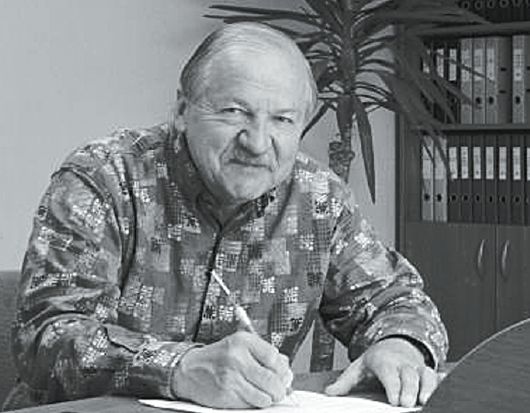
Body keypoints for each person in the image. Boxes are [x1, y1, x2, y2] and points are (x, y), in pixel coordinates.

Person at [7, 22, 448, 410]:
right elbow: (46, 337)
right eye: (235, 111)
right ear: (183, 110)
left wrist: (399, 345)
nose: (256, 142)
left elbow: (395, 301)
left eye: (282, 120)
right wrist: (179, 368)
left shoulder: (318, 198)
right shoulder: (103, 179)